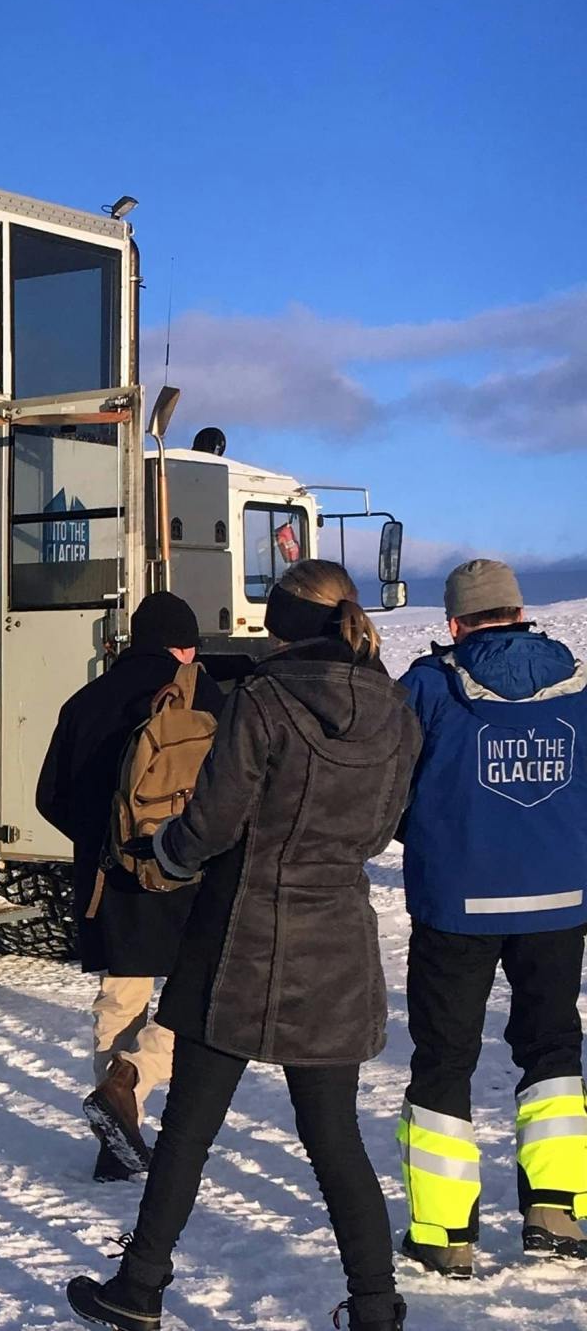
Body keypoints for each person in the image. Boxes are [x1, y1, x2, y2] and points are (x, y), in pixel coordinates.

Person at [66, 561, 422, 1331]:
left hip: (239, 939)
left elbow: (213, 824)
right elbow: (391, 821)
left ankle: (140, 1288)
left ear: (280, 622)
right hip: (336, 943)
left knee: (190, 1128)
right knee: (335, 1139)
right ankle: (374, 1306)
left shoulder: (263, 699)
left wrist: (166, 852)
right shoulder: (396, 707)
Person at [395, 558, 587, 1276]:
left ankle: (445, 1235)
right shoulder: (577, 683)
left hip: (457, 902)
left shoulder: (428, 685)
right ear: (519, 609)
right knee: (553, 1051)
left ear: (454, 622)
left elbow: (392, 782)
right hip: (557, 901)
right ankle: (557, 1211)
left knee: (445, 1059)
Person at [34, 590, 224, 1182]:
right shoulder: (207, 697)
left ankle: (117, 1137)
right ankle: (135, 1075)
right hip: (192, 877)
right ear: (184, 645)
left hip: (111, 885)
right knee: (197, 997)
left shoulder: (84, 701)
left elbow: (50, 797)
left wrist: (104, 843)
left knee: (120, 1003)